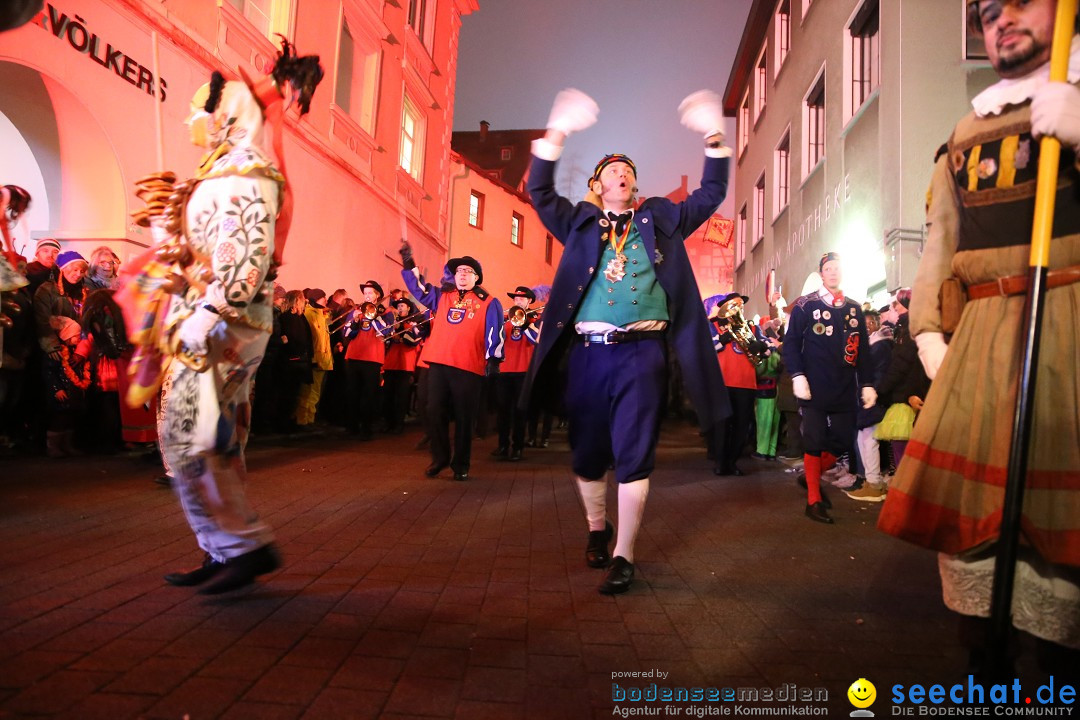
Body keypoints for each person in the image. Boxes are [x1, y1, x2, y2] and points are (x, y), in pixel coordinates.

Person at [879, 0, 1080, 674]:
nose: (1001, 18)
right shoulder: (967, 129)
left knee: (1062, 531)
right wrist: (929, 331)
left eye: (1023, 2)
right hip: (984, 338)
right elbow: (941, 243)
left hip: (1071, 328)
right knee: (974, 528)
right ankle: (985, 676)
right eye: (988, 11)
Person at [522, 88, 731, 594]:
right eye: (612, 169)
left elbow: (710, 194)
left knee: (635, 450)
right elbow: (540, 192)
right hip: (589, 354)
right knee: (587, 451)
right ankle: (598, 528)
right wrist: (556, 133)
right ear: (597, 184)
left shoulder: (658, 216)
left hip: (643, 352)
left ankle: (624, 555)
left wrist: (713, 135)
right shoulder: (578, 220)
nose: (622, 173)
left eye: (629, 169)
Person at [135, 43, 323, 595]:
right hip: (208, 319)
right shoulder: (219, 171)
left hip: (220, 325)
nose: (192, 118)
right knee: (213, 439)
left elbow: (245, 256)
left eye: (199, 108)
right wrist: (164, 228)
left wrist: (211, 312)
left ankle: (244, 546)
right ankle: (225, 547)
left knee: (188, 436)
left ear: (226, 112)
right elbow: (198, 251)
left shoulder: (246, 172)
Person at [782, 252, 876, 524]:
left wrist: (868, 383)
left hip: (844, 388)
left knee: (844, 439)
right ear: (821, 273)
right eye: (828, 268)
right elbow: (790, 344)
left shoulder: (854, 308)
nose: (833, 272)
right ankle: (813, 500)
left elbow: (863, 352)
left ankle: (809, 475)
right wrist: (798, 375)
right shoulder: (805, 306)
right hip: (814, 387)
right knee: (814, 439)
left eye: (837, 268)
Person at [400, 248, 504, 482]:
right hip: (439, 362)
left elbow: (494, 334)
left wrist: (494, 361)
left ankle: (461, 464)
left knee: (464, 417)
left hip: (468, 367)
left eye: (468, 271)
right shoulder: (443, 296)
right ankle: (440, 458)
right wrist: (409, 263)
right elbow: (418, 288)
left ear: (477, 277)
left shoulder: (489, 302)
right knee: (433, 410)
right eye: (459, 271)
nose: (463, 275)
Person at [708, 292, 764, 476]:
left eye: (739, 305)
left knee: (741, 426)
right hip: (722, 382)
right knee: (722, 425)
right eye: (733, 306)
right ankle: (720, 462)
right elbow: (706, 348)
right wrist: (722, 340)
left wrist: (761, 348)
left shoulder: (752, 328)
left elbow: (768, 349)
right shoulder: (714, 325)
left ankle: (732, 462)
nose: (737, 309)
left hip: (746, 383)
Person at [493, 286, 540, 461]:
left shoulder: (535, 319)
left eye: (522, 299)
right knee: (503, 411)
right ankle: (502, 445)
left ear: (529, 301)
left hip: (523, 372)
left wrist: (526, 323)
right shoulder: (505, 319)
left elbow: (536, 340)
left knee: (520, 411)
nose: (518, 301)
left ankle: (518, 447)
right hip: (504, 370)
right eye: (516, 299)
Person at [342, 280, 393, 439]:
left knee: (369, 394)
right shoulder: (356, 311)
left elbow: (386, 332)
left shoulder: (386, 312)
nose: (367, 296)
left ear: (377, 296)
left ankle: (366, 428)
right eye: (365, 293)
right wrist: (355, 322)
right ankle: (351, 426)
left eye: (370, 293)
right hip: (354, 355)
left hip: (372, 358)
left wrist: (373, 316)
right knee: (352, 393)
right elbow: (347, 334)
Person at [382, 296, 426, 434]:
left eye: (402, 306)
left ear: (408, 308)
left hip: (405, 364)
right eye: (398, 306)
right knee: (388, 395)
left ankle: (398, 425)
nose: (400, 308)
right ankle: (388, 423)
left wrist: (400, 335)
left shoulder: (414, 323)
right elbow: (384, 340)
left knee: (401, 397)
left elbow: (414, 340)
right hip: (390, 363)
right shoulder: (392, 322)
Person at [297, 288, 332, 427]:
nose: (325, 299)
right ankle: (303, 420)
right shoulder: (310, 314)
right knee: (308, 392)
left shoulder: (321, 315)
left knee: (315, 392)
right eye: (323, 297)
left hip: (322, 360)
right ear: (316, 299)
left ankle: (309, 418)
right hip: (315, 360)